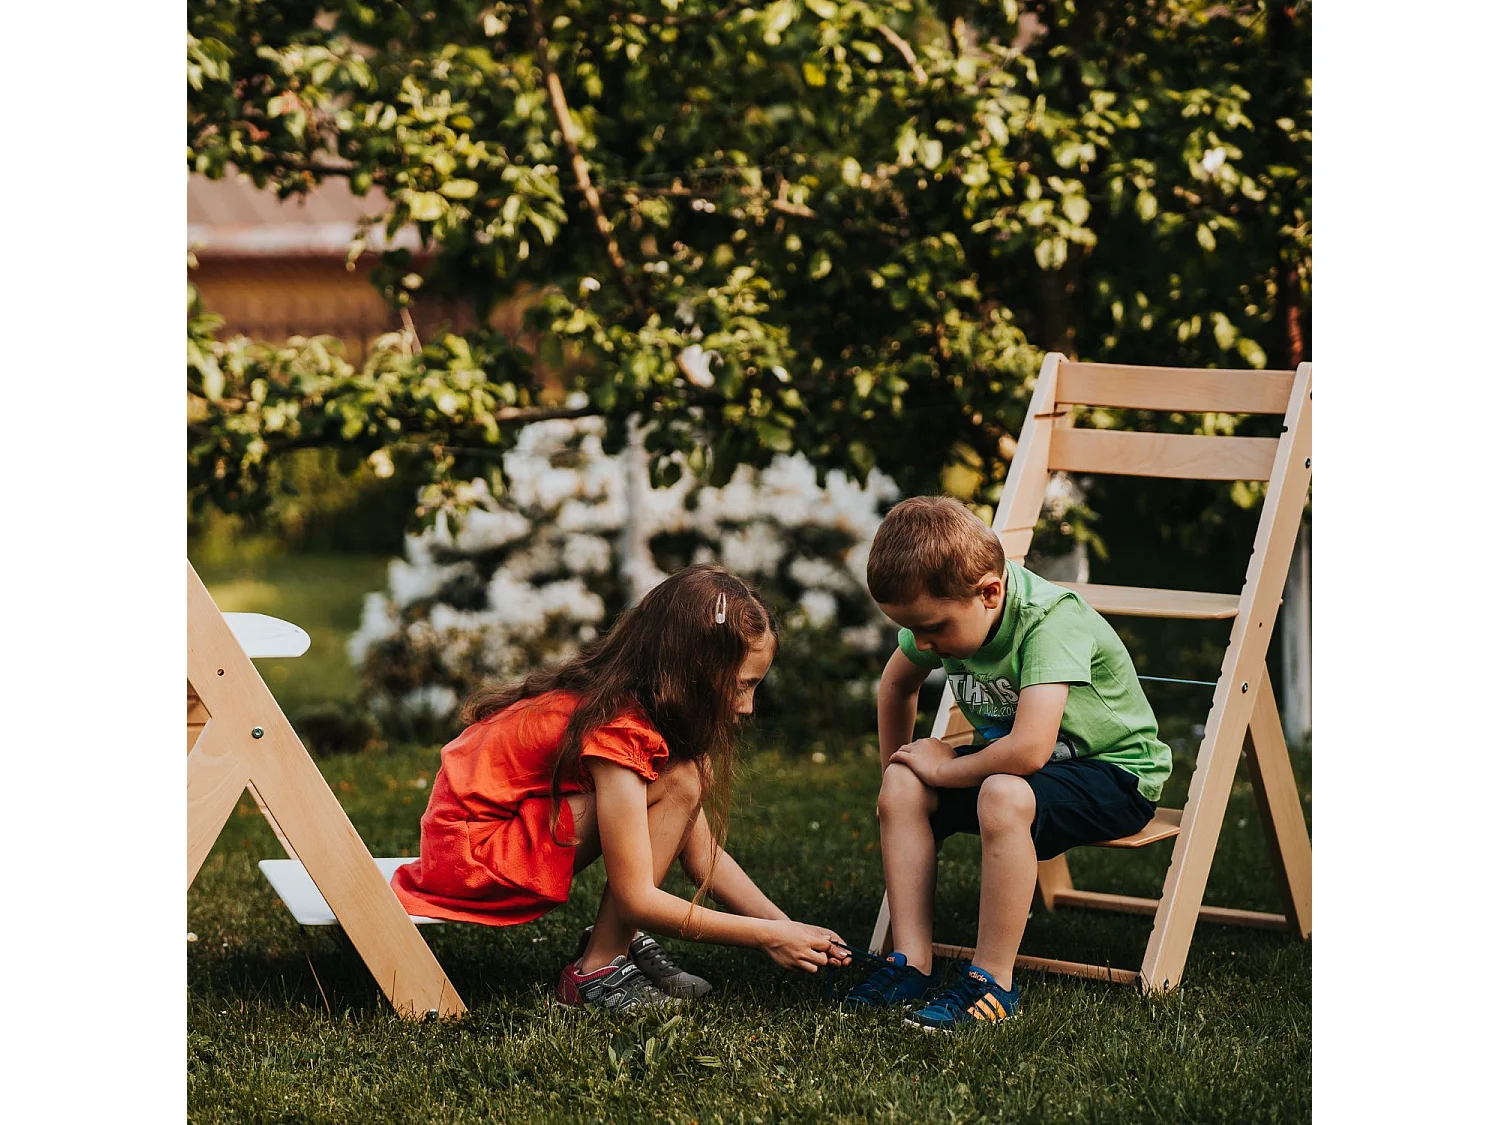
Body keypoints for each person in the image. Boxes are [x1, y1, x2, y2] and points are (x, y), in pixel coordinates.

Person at [391, 563, 850, 1013]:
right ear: (691, 672)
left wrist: (790, 928)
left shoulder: (636, 711)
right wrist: (767, 938)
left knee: (687, 773)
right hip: (472, 861)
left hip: (485, 843)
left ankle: (617, 941)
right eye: (741, 687)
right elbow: (637, 898)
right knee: (681, 778)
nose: (747, 707)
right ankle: (599, 969)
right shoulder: (617, 727)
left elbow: (703, 859)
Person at [843, 497, 1171, 1032]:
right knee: (905, 784)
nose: (923, 645)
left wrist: (943, 772)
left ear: (990, 592)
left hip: (1113, 775)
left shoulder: (1050, 621)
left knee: (1000, 790)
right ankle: (910, 962)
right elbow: (896, 683)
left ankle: (992, 981)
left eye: (932, 631)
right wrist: (897, 777)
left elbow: (1028, 751)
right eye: (911, 630)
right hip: (1017, 771)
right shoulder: (950, 606)